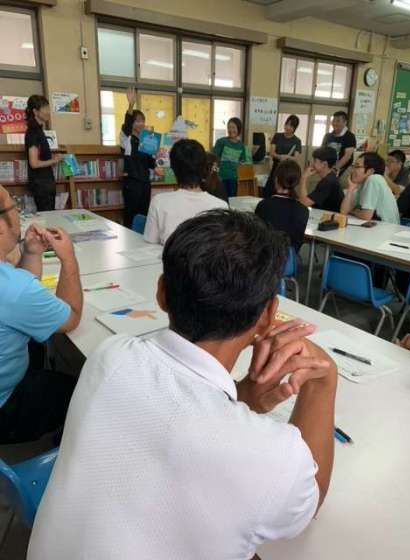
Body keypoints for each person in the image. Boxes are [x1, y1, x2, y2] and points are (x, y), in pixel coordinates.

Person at [28, 209, 337, 560]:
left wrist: (244, 396)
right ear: (268, 315)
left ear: (161, 293)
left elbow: (177, 413)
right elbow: (309, 501)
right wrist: (323, 380)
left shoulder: (110, 355)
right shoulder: (273, 457)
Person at [0, 185, 82, 444]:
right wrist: (68, 259)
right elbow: (71, 317)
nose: (19, 214)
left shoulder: (12, 284)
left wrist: (32, 252)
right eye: (14, 206)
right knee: (82, 391)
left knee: (37, 345)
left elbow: (22, 293)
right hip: (5, 407)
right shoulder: (12, 288)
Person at [144, 139, 228, 245]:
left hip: (168, 256)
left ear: (173, 169)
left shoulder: (159, 202)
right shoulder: (221, 206)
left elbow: (150, 245)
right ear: (203, 167)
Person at [120, 87, 156, 228]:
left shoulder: (146, 139)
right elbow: (127, 125)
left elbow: (150, 161)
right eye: (137, 121)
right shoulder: (126, 138)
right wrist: (131, 105)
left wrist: (156, 164)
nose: (141, 123)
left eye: (143, 121)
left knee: (143, 215)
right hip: (132, 183)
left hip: (145, 183)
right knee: (131, 214)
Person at [255, 159, 309, 251]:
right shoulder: (303, 210)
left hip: (265, 256)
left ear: (276, 179)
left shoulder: (263, 205)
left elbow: (257, 236)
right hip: (289, 257)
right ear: (296, 182)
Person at [25, 95, 62, 211]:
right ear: (35, 111)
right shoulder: (33, 132)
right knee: (47, 217)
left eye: (48, 108)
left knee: (49, 216)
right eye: (45, 108)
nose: (48, 112)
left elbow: (40, 157)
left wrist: (52, 158)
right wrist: (54, 160)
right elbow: (34, 163)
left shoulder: (39, 130)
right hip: (41, 184)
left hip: (45, 183)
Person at [340, 152, 400, 224]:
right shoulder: (363, 184)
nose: (352, 170)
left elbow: (366, 216)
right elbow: (344, 211)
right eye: (353, 166)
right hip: (377, 226)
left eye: (357, 167)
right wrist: (351, 188)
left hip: (387, 227)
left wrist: (354, 212)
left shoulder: (374, 179)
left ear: (370, 171)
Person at [265, 115, 302, 198]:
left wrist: (287, 158)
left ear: (295, 128)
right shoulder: (277, 136)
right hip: (276, 168)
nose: (287, 127)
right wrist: (280, 157)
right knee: (268, 191)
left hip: (287, 170)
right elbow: (272, 153)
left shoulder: (297, 141)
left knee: (284, 193)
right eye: (287, 124)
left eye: (291, 126)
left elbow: (296, 158)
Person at [299, 147, 344, 212]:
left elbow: (304, 203)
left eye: (315, 161)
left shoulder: (328, 182)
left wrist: (303, 178)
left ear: (324, 164)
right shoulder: (331, 177)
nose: (312, 164)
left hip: (328, 216)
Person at [213, 117, 246, 198]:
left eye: (233, 127)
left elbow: (241, 162)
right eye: (229, 127)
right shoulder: (221, 142)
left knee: (232, 200)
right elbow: (214, 160)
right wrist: (215, 175)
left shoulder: (241, 146)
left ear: (239, 129)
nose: (231, 130)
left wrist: (238, 177)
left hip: (233, 179)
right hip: (221, 178)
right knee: (220, 200)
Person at [322, 111, 356, 182]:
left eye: (338, 121)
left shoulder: (349, 136)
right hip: (328, 169)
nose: (334, 123)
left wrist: (335, 169)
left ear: (345, 122)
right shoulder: (327, 136)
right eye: (333, 120)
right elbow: (322, 152)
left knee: (339, 187)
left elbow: (347, 156)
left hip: (343, 170)